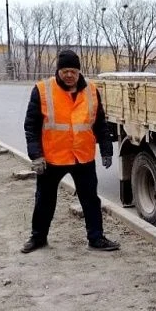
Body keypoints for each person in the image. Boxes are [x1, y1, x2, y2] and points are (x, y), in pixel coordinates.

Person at [21, 49, 120, 253]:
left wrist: (107, 150)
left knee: (91, 200)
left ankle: (96, 238)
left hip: (82, 157)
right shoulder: (42, 90)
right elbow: (31, 126)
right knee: (44, 200)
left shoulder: (91, 90)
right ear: (58, 70)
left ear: (78, 72)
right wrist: (36, 155)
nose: (69, 75)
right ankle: (38, 238)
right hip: (52, 158)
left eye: (73, 71)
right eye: (65, 70)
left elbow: (100, 123)